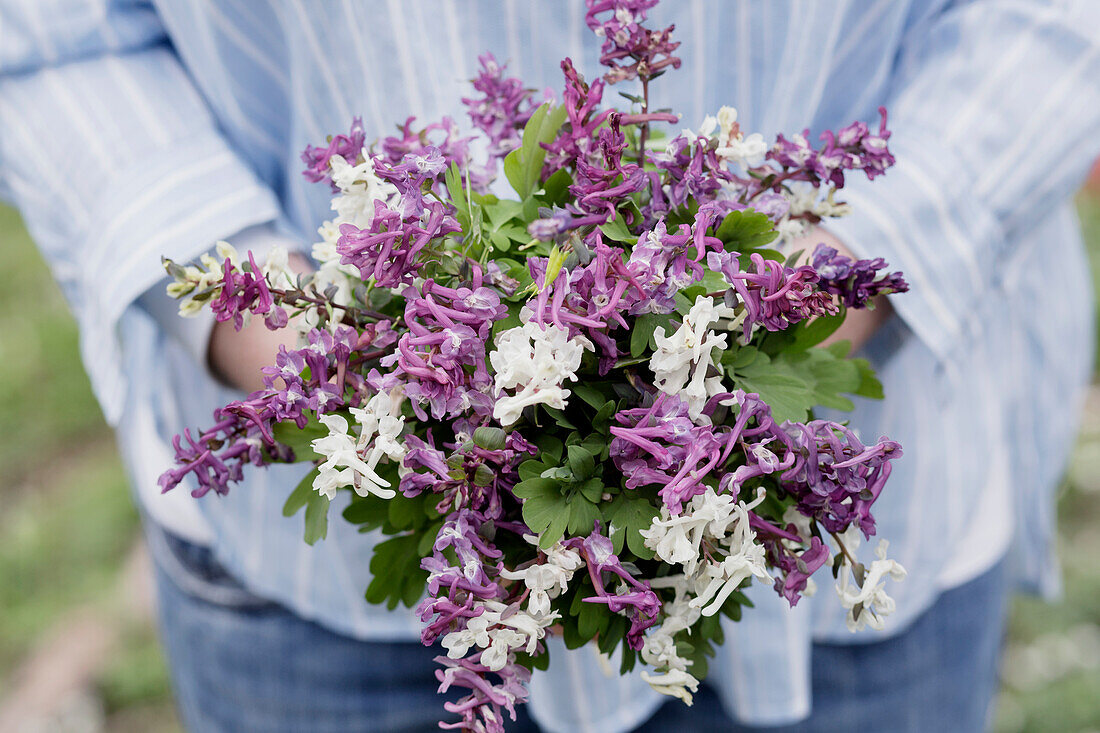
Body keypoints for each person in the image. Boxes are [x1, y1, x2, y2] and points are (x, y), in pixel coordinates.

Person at [2, 1, 1099, 731]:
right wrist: (290, 338)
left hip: (831, 566)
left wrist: (848, 267)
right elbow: (51, 37)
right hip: (331, 607)